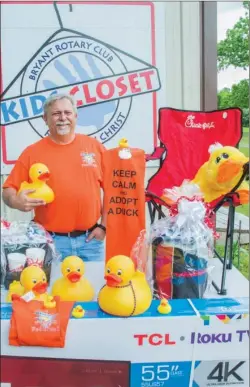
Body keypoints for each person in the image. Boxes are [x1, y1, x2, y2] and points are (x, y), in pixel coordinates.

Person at [2, 93, 106, 261]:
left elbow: (112, 190)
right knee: (50, 288)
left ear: (75, 116)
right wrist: (16, 201)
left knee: (93, 287)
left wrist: (104, 226)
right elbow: (8, 190)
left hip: (91, 242)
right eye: (56, 113)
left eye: (67, 112)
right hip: (50, 241)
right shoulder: (32, 152)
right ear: (45, 118)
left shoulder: (94, 147)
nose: (62, 118)